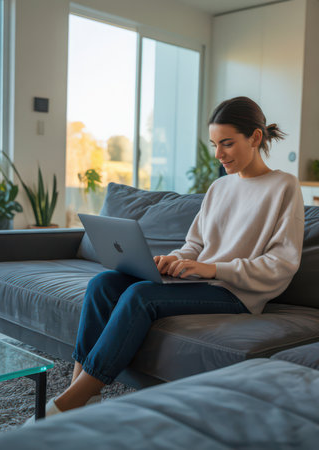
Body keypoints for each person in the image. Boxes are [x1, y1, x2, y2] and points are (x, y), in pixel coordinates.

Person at [44, 96, 305, 417]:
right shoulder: (219, 188)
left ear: (255, 138)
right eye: (214, 144)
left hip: (237, 293)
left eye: (227, 144)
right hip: (201, 281)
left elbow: (282, 264)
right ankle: (80, 390)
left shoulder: (283, 186)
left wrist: (212, 269)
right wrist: (173, 260)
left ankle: (71, 402)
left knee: (141, 296)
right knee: (103, 283)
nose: (218, 154)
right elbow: (194, 245)